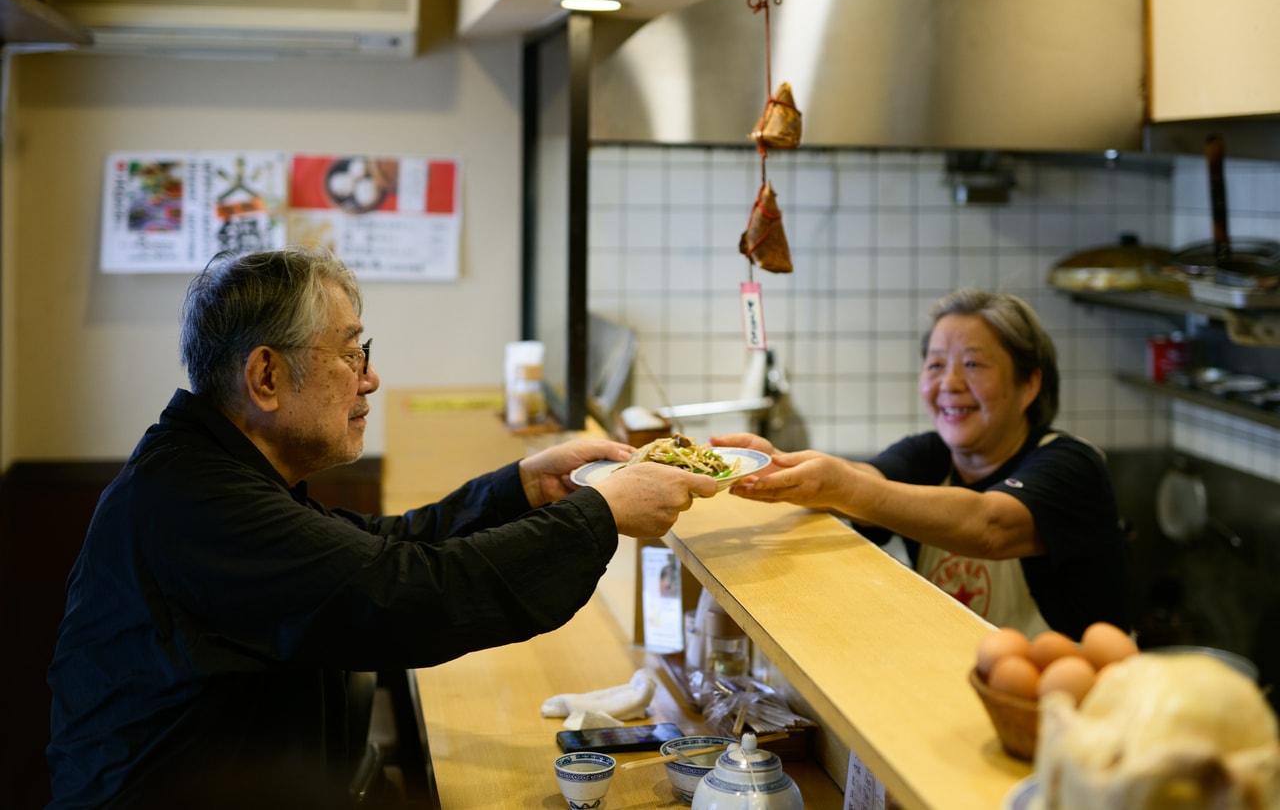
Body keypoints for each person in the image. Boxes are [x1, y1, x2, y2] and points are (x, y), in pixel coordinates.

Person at [45, 247, 716, 810]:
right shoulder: (196, 502)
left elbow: (380, 546)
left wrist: (521, 488)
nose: (370, 377)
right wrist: (600, 511)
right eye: (350, 351)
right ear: (267, 375)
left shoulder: (209, 467)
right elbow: (406, 592)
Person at [713, 288, 1129, 641]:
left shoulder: (1070, 465)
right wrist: (781, 466)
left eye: (972, 364)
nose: (948, 384)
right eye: (935, 364)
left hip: (1078, 704)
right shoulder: (931, 455)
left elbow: (990, 527)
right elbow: (867, 480)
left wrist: (839, 485)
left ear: (1029, 384)